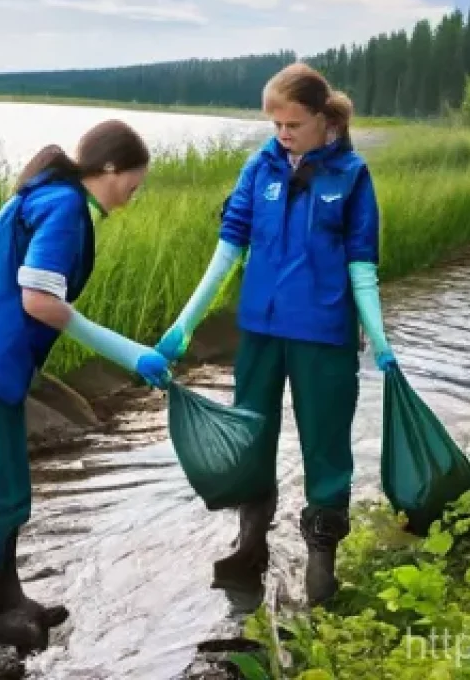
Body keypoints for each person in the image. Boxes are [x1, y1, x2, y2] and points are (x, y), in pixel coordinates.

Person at [0, 119, 172, 676]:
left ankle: (10, 606)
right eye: (135, 179)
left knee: (9, 491)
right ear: (108, 169)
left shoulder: (60, 201)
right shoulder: (64, 209)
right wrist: (130, 353)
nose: (136, 190)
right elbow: (38, 300)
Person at [155, 63, 397, 607]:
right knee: (251, 434)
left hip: (324, 334)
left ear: (320, 118)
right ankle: (250, 544)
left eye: (292, 123)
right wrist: (184, 323)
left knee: (327, 444)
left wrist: (379, 340)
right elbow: (228, 250)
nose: (283, 133)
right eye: (275, 124)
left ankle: (322, 563)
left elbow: (362, 266)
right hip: (260, 332)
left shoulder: (352, 176)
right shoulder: (259, 168)